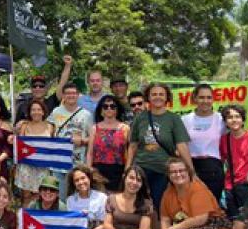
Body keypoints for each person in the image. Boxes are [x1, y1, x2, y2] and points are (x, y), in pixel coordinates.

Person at [129, 82, 193, 215]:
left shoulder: (173, 119)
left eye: (161, 94)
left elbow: (182, 145)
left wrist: (191, 169)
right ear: (148, 97)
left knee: (160, 205)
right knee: (140, 205)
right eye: (154, 94)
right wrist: (128, 167)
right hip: (141, 167)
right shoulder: (140, 118)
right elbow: (133, 144)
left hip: (163, 170)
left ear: (167, 97)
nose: (157, 97)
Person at [47, 82, 94, 196]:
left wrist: (82, 141)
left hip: (77, 162)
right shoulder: (56, 111)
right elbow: (49, 130)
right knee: (60, 196)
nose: (71, 96)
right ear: (63, 95)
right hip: (58, 162)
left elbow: (93, 139)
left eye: (74, 93)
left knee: (77, 195)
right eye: (68, 93)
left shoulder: (86, 114)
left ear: (78, 95)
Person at [219, 104, 248, 218]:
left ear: (243, 120)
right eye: (230, 117)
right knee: (234, 218)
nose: (234, 120)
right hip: (230, 185)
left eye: (237, 116)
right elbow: (221, 160)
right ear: (225, 122)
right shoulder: (224, 139)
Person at [182, 84, 226, 202]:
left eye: (208, 97)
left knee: (212, 205)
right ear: (195, 98)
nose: (205, 101)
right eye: (201, 97)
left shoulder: (222, 119)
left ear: (213, 99)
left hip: (214, 169)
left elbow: (238, 133)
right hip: (191, 167)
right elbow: (181, 145)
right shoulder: (185, 120)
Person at [63, 165, 109, 229]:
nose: (81, 182)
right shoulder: (70, 200)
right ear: (74, 184)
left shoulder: (102, 197)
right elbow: (72, 224)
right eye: (77, 180)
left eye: (83, 178)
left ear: (89, 178)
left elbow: (103, 223)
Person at [14, 98, 54, 205]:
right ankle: (26, 218)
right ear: (29, 112)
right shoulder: (24, 126)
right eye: (33, 110)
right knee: (26, 196)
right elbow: (19, 144)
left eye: (38, 109)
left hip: (43, 166)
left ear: (43, 111)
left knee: (42, 194)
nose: (36, 112)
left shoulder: (50, 126)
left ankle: (38, 218)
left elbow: (54, 146)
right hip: (27, 166)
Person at [87, 95, 130, 192]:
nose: (109, 108)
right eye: (105, 106)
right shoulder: (95, 128)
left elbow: (128, 152)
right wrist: (89, 169)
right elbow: (90, 152)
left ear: (117, 109)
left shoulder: (125, 128)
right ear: (101, 110)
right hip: (98, 170)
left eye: (112, 106)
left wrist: (127, 171)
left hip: (118, 171)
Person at [15, 55, 74, 122]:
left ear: (46, 89)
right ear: (31, 89)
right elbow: (15, 127)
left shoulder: (51, 102)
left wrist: (67, 65)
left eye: (41, 86)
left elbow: (62, 84)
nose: (38, 88)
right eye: (34, 86)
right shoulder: (23, 106)